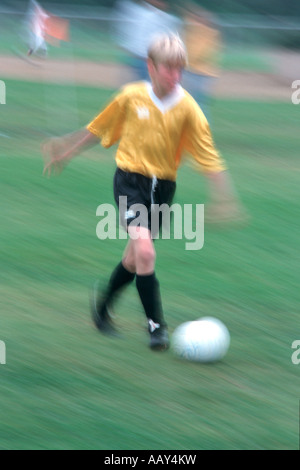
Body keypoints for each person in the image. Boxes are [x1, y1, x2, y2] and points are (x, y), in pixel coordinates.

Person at [43, 33, 246, 352]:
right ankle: (157, 327)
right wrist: (66, 151)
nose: (176, 76)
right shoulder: (130, 96)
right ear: (150, 66)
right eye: (169, 68)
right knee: (147, 253)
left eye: (181, 69)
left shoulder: (189, 109)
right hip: (129, 182)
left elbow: (208, 155)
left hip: (162, 189)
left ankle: (102, 311)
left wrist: (224, 196)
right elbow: (99, 128)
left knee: (135, 259)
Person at [182, 4, 222, 123]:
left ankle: (201, 127)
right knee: (188, 101)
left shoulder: (211, 34)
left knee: (199, 102)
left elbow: (201, 53)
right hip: (191, 71)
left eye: (199, 19)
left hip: (203, 73)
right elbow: (186, 16)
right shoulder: (192, 30)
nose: (196, 21)